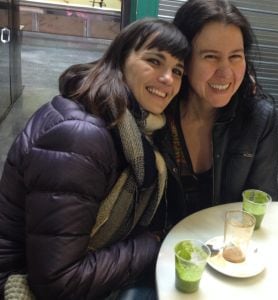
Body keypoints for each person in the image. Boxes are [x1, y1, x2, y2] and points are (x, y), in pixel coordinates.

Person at [0, 18, 189, 299]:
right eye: (154, 61)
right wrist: (154, 243)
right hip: (21, 282)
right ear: (120, 58)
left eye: (177, 70)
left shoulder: (134, 126)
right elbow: (58, 282)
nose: (168, 79)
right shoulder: (82, 136)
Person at [154, 0, 278, 225]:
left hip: (227, 252)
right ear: (183, 58)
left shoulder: (258, 117)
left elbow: (261, 206)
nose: (225, 73)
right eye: (210, 56)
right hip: (160, 250)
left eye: (235, 57)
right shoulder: (157, 112)